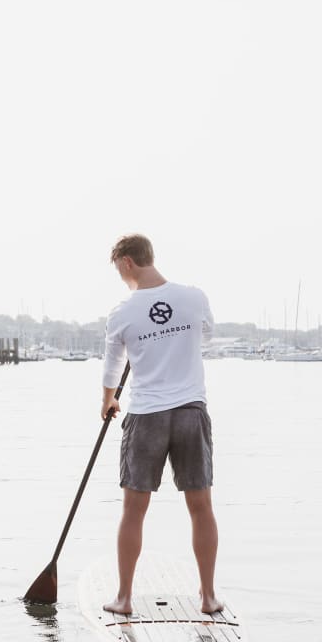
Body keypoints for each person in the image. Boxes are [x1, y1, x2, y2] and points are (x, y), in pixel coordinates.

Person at [101, 234, 223, 615]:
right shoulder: (193, 297)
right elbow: (205, 335)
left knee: (134, 509)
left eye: (118, 270)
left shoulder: (123, 313)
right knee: (201, 506)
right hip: (190, 411)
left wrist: (108, 400)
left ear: (126, 263)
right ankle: (208, 597)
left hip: (147, 415)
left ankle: (123, 599)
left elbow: (111, 368)